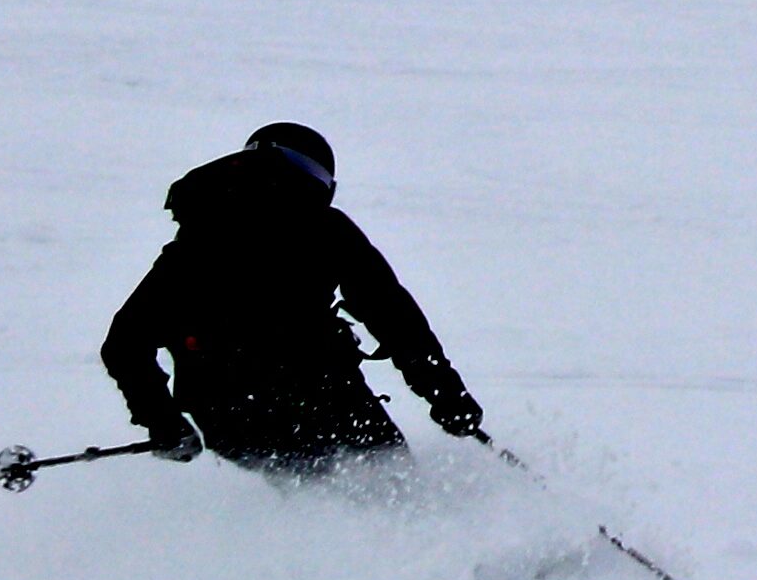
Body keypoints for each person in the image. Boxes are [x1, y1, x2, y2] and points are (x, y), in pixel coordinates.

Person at [100, 121, 484, 470]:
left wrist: (163, 420)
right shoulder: (324, 229)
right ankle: (422, 543)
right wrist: (447, 397)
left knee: (316, 498)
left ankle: (330, 543)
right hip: (324, 397)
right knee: (392, 488)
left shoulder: (191, 250)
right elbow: (394, 318)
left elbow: (123, 345)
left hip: (227, 415)